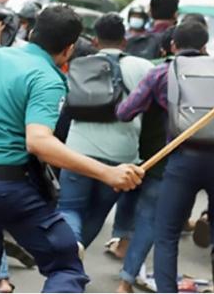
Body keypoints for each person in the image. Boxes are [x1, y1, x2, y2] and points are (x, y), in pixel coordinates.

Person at [0, 5, 145, 292]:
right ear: (68, 50)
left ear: (30, 33)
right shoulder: (48, 78)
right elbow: (39, 141)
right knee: (66, 265)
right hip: (6, 187)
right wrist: (107, 173)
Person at [116, 21, 214, 293]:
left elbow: (125, 111)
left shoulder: (162, 72)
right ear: (205, 46)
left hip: (184, 157)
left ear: (173, 45)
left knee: (167, 232)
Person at [57, 13, 154, 253]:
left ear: (95, 42)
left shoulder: (79, 66)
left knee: (69, 209)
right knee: (98, 211)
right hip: (121, 156)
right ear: (124, 41)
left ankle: (72, 248)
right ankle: (75, 252)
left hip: (78, 152)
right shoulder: (145, 67)